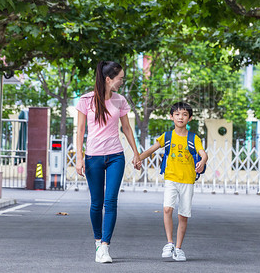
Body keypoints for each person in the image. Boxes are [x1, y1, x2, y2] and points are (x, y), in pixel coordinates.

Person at [76, 61, 141, 264]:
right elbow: (79, 131)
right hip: (93, 157)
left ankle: (105, 246)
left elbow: (127, 129)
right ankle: (97, 241)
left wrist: (136, 153)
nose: (122, 81)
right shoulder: (86, 100)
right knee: (97, 203)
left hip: (115, 156)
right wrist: (79, 158)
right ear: (108, 79)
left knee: (111, 201)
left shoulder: (120, 100)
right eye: (120, 78)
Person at [138, 101, 208, 262]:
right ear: (171, 117)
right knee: (167, 209)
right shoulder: (167, 136)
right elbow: (151, 150)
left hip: (188, 181)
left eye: (184, 114)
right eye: (177, 114)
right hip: (170, 178)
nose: (180, 117)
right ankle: (169, 243)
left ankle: (178, 248)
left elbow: (203, 153)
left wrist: (202, 161)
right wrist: (138, 159)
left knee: (183, 215)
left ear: (189, 118)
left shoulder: (193, 138)